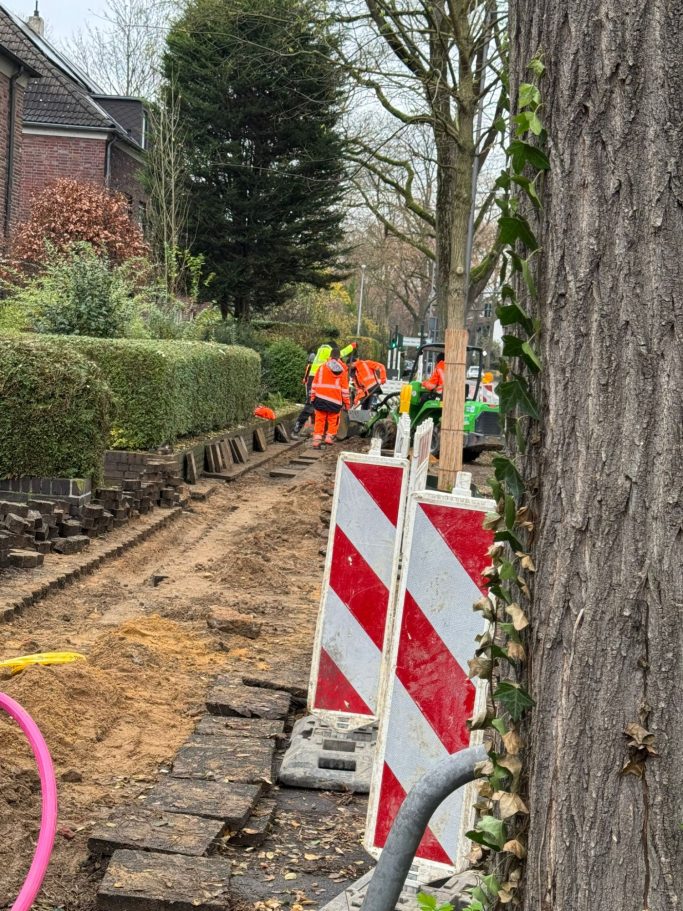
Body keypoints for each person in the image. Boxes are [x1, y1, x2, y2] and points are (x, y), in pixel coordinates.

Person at [292, 341, 357, 437]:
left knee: (316, 406)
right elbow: (341, 353)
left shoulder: (320, 350)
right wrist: (351, 346)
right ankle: (296, 430)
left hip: (313, 379)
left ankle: (315, 432)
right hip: (318, 379)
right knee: (312, 406)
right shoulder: (329, 351)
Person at [310, 347, 350, 448]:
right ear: (339, 357)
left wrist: (312, 397)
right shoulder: (343, 371)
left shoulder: (321, 367)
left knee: (320, 419)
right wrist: (347, 403)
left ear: (330, 356)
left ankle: (317, 439)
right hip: (335, 401)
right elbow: (345, 390)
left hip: (320, 398)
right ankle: (329, 437)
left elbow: (314, 384)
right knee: (333, 420)